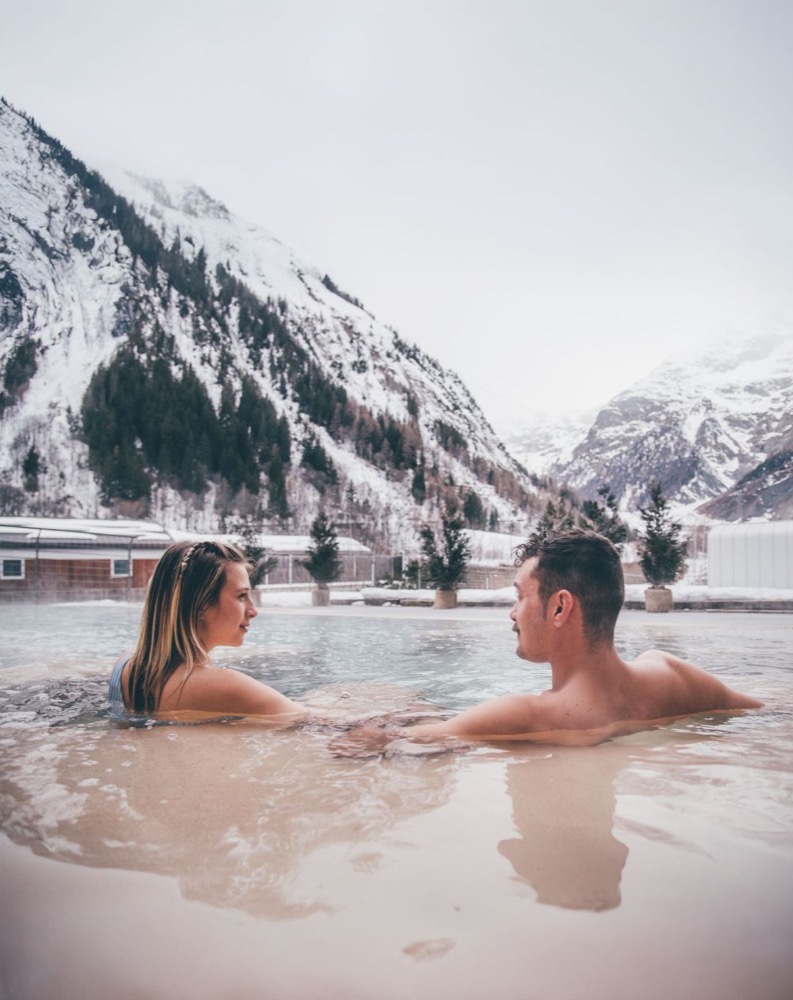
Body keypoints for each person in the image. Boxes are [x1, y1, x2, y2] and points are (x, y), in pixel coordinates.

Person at [406, 529, 762, 744]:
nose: (513, 613)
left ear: (561, 608)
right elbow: (763, 711)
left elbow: (385, 745)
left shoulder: (526, 716)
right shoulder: (673, 676)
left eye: (519, 597)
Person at [109, 539, 306, 721]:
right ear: (202, 605)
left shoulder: (124, 665)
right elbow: (315, 721)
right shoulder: (228, 686)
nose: (253, 611)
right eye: (241, 596)